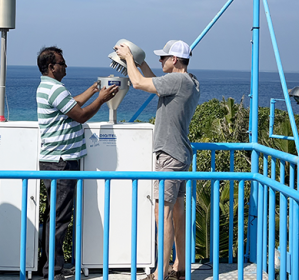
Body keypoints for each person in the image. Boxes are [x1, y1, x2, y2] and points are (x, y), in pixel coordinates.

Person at [115, 40, 200, 280]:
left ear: (174, 60)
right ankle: (180, 266)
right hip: (181, 154)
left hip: (169, 156)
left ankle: (160, 272)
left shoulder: (177, 81)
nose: (160, 61)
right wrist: (141, 63)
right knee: (177, 212)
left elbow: (139, 83)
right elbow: (156, 82)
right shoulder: (190, 81)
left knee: (161, 212)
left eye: (163, 58)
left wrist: (130, 57)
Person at [36, 46, 118, 280]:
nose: (65, 66)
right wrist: (101, 99)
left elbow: (72, 103)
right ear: (51, 67)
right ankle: (54, 271)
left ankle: (49, 266)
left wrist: (94, 89)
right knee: (59, 218)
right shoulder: (55, 89)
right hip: (61, 162)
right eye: (62, 63)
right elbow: (80, 115)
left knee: (53, 215)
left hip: (54, 160)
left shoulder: (49, 87)